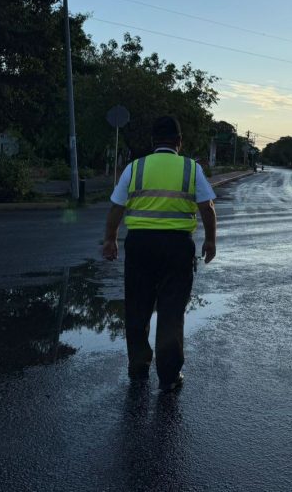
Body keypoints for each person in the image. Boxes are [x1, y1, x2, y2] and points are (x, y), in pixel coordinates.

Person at [102, 116, 217, 392]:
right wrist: (210, 241)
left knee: (137, 308)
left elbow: (117, 207)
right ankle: (168, 376)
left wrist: (110, 239)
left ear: (154, 142)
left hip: (140, 246)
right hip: (177, 248)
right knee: (171, 311)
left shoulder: (135, 167)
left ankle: (138, 368)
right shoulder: (191, 168)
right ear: (179, 142)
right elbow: (207, 207)